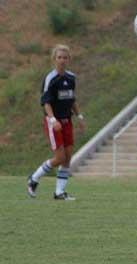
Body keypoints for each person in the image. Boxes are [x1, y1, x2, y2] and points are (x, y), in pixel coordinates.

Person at [27, 44, 85, 200]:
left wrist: (79, 117)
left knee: (67, 158)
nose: (62, 60)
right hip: (54, 122)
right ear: (54, 59)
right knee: (59, 158)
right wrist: (53, 120)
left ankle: (59, 192)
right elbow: (46, 102)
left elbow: (72, 100)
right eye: (59, 57)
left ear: (69, 59)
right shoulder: (50, 79)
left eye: (65, 58)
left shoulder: (71, 78)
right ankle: (33, 178)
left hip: (67, 121)